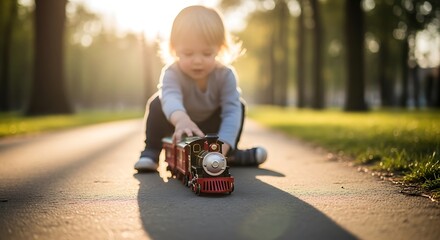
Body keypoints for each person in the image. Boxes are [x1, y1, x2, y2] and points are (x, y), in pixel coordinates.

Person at [135, 5, 267, 171]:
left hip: (212, 131)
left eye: (206, 53)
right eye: (189, 53)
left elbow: (231, 111)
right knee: (157, 103)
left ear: (219, 49)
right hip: (179, 127)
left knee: (238, 106)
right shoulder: (172, 73)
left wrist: (222, 146)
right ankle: (151, 151)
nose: (197, 61)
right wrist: (181, 119)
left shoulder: (225, 75)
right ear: (175, 50)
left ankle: (228, 153)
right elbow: (170, 97)